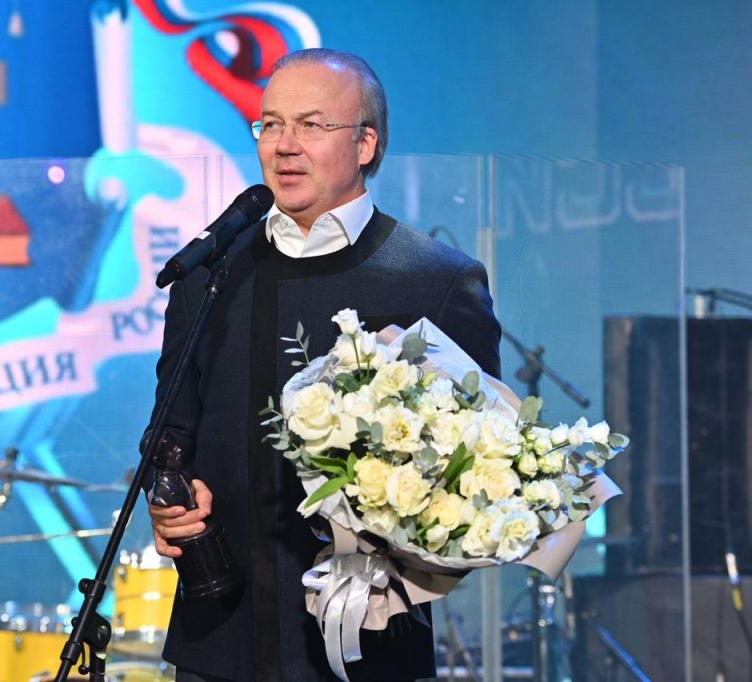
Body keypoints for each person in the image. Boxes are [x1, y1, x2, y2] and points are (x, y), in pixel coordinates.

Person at [146, 48, 501, 682]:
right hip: (221, 635)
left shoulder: (437, 280)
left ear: (366, 143)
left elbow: (480, 464)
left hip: (367, 641)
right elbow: (170, 433)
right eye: (270, 124)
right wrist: (170, 495)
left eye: (311, 125)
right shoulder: (210, 274)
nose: (284, 145)